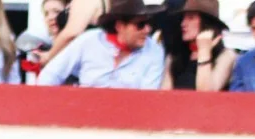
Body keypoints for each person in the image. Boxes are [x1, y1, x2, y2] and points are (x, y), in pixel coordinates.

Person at [38, 0, 166, 85]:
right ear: (120, 26)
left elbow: (147, 98)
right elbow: (50, 75)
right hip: (83, 114)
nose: (147, 30)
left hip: (128, 118)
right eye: (140, 25)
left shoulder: (154, 51)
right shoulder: (89, 41)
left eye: (149, 23)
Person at [159, 0, 237, 87]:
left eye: (191, 18)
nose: (183, 24)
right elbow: (165, 95)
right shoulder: (174, 57)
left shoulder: (226, 56)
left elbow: (206, 94)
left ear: (206, 23)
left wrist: (204, 51)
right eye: (183, 18)